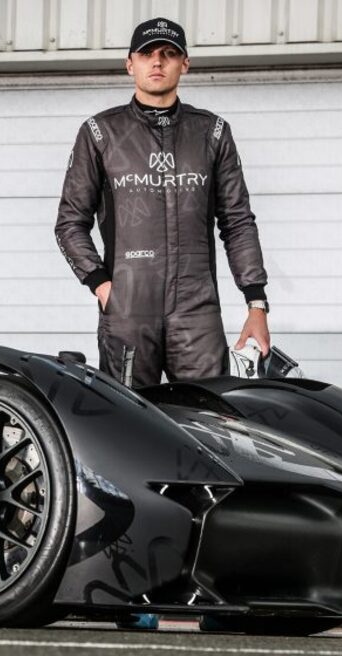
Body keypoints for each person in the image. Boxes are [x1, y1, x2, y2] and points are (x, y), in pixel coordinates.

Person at [55, 17, 270, 390]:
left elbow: (237, 221)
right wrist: (103, 286)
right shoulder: (100, 133)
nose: (158, 61)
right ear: (130, 63)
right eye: (148, 53)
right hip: (127, 313)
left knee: (210, 426)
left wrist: (256, 302)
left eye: (169, 54)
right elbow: (70, 223)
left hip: (196, 314)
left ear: (184, 64)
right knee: (126, 429)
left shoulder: (212, 133)